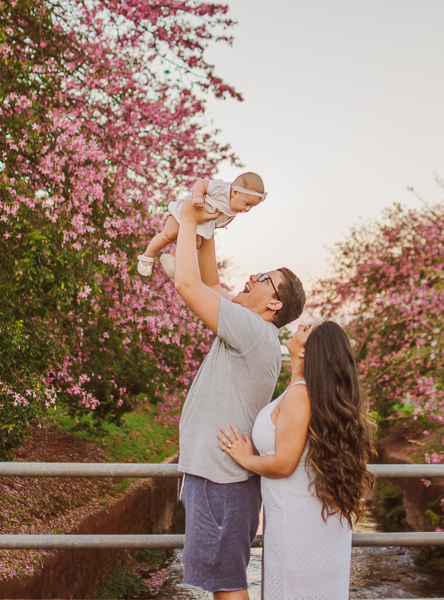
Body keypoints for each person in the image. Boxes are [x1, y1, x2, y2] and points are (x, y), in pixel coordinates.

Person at [173, 198, 305, 600]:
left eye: (263, 278)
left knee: (228, 588)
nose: (251, 277)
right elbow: (210, 285)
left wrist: (188, 220)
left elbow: (188, 284)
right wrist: (209, 227)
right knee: (223, 585)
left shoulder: (252, 330)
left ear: (274, 304)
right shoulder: (254, 330)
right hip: (218, 478)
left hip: (221, 480)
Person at [218, 321, 376, 599]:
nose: (301, 325)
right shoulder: (305, 392)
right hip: (315, 518)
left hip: (297, 524)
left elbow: (283, 464)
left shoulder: (300, 394)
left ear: (304, 351)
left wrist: (246, 458)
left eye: (306, 329)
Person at [136, 172, 267, 277]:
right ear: (234, 192)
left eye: (251, 207)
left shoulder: (233, 210)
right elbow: (201, 183)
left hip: (200, 224)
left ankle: (172, 258)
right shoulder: (221, 188)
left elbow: (217, 222)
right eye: (247, 204)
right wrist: (197, 196)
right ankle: (147, 256)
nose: (247, 209)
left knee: (196, 244)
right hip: (185, 211)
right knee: (169, 234)